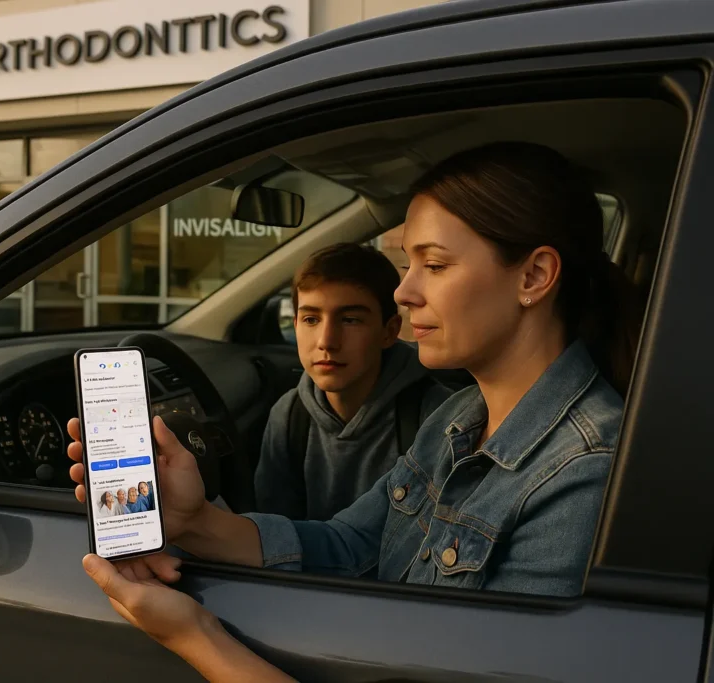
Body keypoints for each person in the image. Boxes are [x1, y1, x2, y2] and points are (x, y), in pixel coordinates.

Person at [67, 141, 642, 681]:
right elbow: (352, 548)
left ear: (534, 276)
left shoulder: (586, 474)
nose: (403, 292)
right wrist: (194, 520)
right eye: (406, 265)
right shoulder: (459, 417)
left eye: (435, 265)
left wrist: (195, 636)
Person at [255, 242, 452, 520]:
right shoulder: (288, 417)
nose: (326, 341)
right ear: (296, 325)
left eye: (349, 320)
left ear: (389, 331)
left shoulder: (434, 415)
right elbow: (274, 531)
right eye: (311, 319)